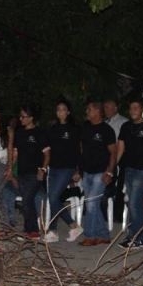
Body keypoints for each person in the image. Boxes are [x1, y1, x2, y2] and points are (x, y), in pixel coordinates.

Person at [116, 96, 143, 250]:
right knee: (133, 203)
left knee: (135, 203)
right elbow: (120, 149)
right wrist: (111, 167)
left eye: (136, 107)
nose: (133, 110)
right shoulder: (125, 127)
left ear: (142, 109)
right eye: (131, 108)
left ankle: (139, 239)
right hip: (129, 169)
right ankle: (132, 236)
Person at [44, 98, 83, 243]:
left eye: (63, 109)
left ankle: (73, 225)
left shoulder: (74, 129)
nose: (61, 112)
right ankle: (53, 232)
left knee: (54, 197)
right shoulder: (52, 128)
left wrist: (78, 170)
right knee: (54, 198)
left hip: (67, 167)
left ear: (68, 112)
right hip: (53, 167)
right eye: (58, 110)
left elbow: (78, 150)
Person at [78, 99, 117, 246]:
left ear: (97, 111)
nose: (87, 112)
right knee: (92, 204)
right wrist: (78, 169)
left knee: (91, 203)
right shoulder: (85, 127)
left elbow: (113, 152)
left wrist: (110, 172)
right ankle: (104, 235)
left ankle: (90, 236)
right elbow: (81, 149)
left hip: (101, 172)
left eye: (89, 109)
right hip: (87, 172)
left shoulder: (107, 130)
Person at [13, 104, 49, 239]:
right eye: (20, 116)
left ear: (31, 118)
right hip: (22, 172)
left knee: (27, 199)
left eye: (24, 117)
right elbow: (15, 154)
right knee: (27, 201)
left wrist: (43, 169)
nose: (21, 119)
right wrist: (11, 170)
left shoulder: (40, 133)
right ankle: (28, 229)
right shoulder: (19, 133)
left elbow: (47, 154)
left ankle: (33, 230)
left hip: (35, 173)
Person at [104, 97, 128, 222]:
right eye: (105, 107)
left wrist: (115, 163)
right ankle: (105, 213)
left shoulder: (123, 122)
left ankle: (118, 216)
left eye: (109, 107)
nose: (106, 110)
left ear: (116, 108)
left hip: (119, 159)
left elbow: (121, 145)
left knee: (119, 187)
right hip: (105, 159)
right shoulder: (105, 122)